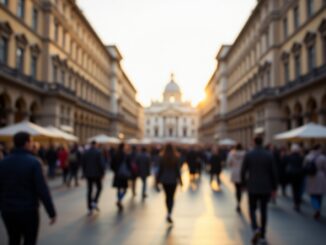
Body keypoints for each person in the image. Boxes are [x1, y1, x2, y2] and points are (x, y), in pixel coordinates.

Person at [0, 132, 56, 245]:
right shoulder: (34, 162)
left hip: (8, 210)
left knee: (13, 239)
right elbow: (42, 190)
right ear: (26, 143)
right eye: (31, 141)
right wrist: (51, 212)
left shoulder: (3, 162)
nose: (32, 144)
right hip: (28, 210)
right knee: (29, 240)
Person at [241, 136, 277, 245]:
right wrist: (274, 187)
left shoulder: (249, 154)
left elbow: (243, 171)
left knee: (252, 208)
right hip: (266, 187)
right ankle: (263, 234)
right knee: (264, 209)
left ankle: (255, 228)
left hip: (252, 186)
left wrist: (244, 184)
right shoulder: (269, 155)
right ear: (262, 142)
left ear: (253, 142)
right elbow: (273, 172)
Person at [157, 143, 183, 224]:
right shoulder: (176, 157)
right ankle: (170, 213)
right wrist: (180, 180)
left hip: (165, 179)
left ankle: (168, 211)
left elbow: (160, 170)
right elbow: (177, 170)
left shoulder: (162, 157)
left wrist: (157, 180)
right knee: (172, 197)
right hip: (173, 180)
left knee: (167, 196)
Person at [82, 141, 105, 215]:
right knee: (99, 188)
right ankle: (94, 201)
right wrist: (102, 173)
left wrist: (84, 173)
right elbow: (101, 164)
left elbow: (83, 164)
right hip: (97, 174)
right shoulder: (98, 152)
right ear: (96, 145)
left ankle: (89, 207)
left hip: (88, 174)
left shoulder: (86, 152)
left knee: (89, 190)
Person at [304, 144, 326, 220]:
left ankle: (316, 208)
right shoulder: (323, 157)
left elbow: (304, 167)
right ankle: (318, 208)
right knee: (319, 195)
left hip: (311, 177)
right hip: (320, 177)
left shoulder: (308, 157)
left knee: (312, 194)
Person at [111, 143, 131, 211]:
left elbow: (111, 164)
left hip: (117, 174)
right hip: (124, 174)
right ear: (123, 147)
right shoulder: (125, 155)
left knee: (118, 188)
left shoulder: (115, 154)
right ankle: (120, 200)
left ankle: (119, 199)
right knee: (125, 189)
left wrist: (115, 170)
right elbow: (129, 165)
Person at [284, 144, 304, 212]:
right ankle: (298, 201)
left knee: (294, 189)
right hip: (299, 175)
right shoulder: (301, 157)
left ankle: (296, 203)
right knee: (298, 189)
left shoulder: (289, 157)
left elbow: (285, 163)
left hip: (292, 175)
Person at [227, 143, 246, 213]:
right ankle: (240, 200)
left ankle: (238, 202)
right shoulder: (245, 154)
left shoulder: (231, 154)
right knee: (241, 188)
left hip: (235, 173)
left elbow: (229, 163)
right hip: (243, 173)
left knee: (237, 188)